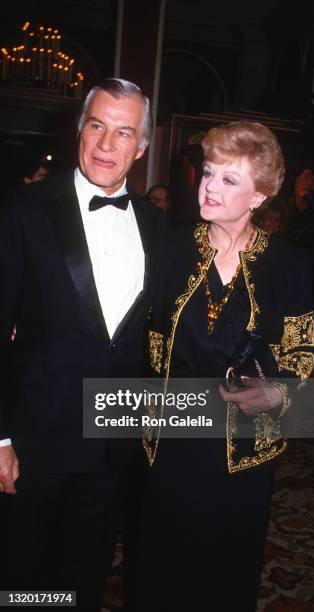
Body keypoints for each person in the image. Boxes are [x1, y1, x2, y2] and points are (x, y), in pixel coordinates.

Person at [132, 121, 314, 612]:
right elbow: (130, 328)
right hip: (169, 436)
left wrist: (277, 393)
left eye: (228, 180)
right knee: (161, 562)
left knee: (225, 568)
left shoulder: (290, 265)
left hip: (244, 445)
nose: (208, 187)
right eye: (208, 173)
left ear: (259, 195)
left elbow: (302, 349)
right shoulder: (168, 249)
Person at [0, 78, 163, 612]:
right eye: (96, 126)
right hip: (33, 439)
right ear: (78, 130)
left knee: (85, 571)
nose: (106, 145)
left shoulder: (159, 227)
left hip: (114, 441)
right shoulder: (24, 208)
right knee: (24, 574)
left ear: (141, 147)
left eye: (123, 133)